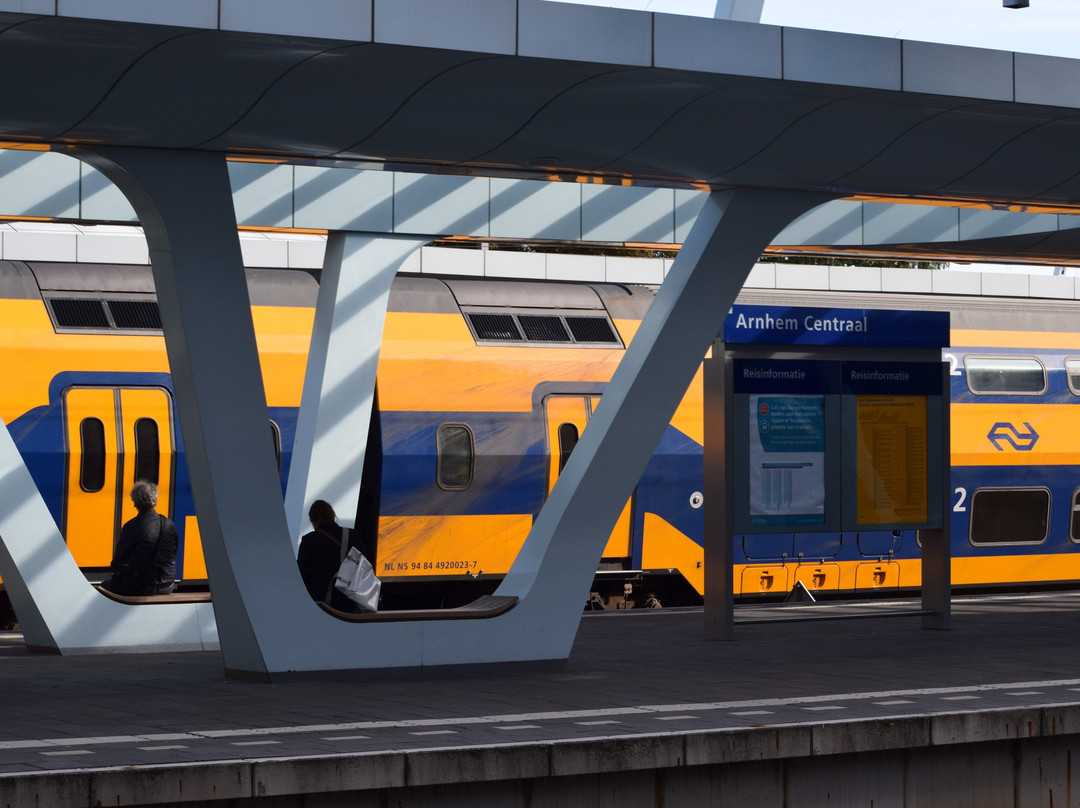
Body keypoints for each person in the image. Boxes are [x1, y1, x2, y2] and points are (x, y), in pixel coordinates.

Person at [100, 480, 179, 595]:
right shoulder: (169, 524)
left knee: (104, 587)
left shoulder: (131, 526)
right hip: (167, 585)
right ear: (155, 501)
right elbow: (173, 553)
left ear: (135, 503)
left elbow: (118, 559)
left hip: (142, 586)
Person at [297, 500, 364, 611]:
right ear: (333, 516)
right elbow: (363, 566)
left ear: (315, 520)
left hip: (321, 603)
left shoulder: (309, 540)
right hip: (349, 602)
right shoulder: (352, 536)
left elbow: (302, 574)